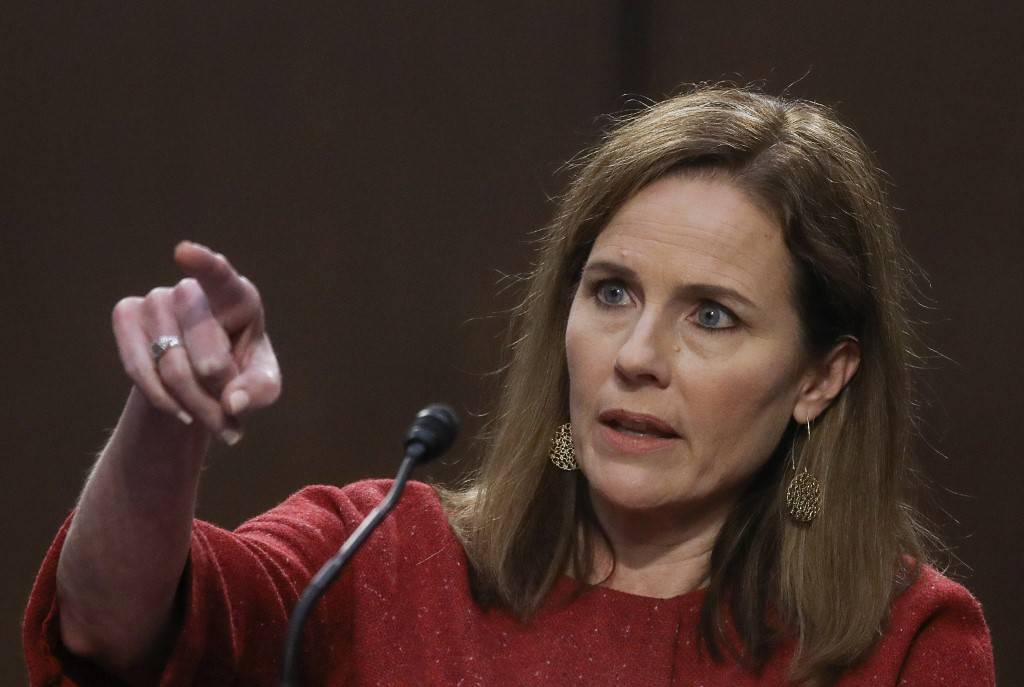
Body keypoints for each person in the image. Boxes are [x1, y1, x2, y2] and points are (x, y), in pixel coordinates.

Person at [24, 86, 995, 686]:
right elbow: (109, 628)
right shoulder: (382, 560)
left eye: (711, 315)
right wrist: (167, 416)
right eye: (611, 291)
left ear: (820, 377)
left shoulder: (902, 643)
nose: (636, 355)